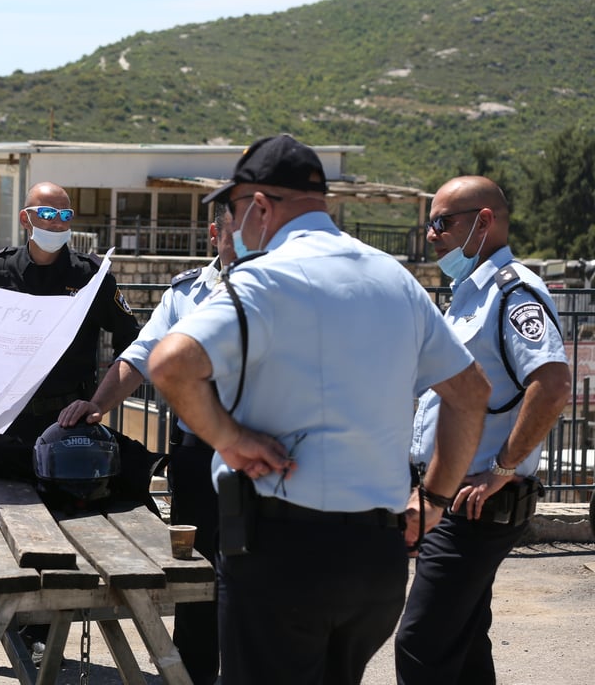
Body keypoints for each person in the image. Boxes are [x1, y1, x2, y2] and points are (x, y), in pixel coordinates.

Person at [148, 134, 491, 685]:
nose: (234, 227)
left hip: (281, 555)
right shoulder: (396, 280)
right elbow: (471, 394)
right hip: (376, 562)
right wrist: (433, 499)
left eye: (234, 211)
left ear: (259, 205)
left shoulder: (266, 279)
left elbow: (170, 365)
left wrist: (229, 439)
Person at [395, 176, 571, 685]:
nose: (431, 235)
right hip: (453, 499)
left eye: (441, 222)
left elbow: (553, 383)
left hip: (477, 505)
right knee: (465, 641)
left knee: (421, 644)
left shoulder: (512, 291)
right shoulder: (469, 294)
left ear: (484, 221)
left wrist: (504, 467)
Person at [57, 205, 234, 685]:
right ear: (216, 233)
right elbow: (139, 356)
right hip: (198, 456)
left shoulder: (283, 292)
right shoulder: (186, 293)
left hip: (260, 461)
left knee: (255, 578)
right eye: (240, 230)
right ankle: (193, 676)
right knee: (198, 574)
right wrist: (98, 406)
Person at [0, 181, 140, 442]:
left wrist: (98, 402)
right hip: (3, 421)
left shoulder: (91, 276)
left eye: (66, 215)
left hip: (68, 422)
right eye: (48, 214)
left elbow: (132, 343)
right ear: (25, 219)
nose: (58, 223)